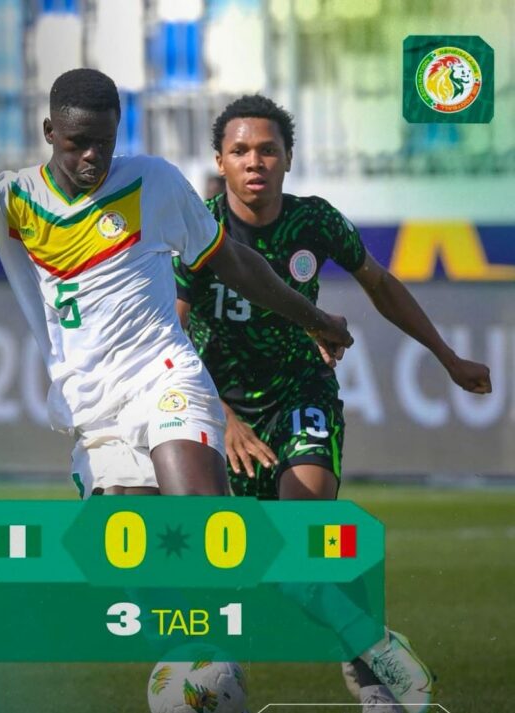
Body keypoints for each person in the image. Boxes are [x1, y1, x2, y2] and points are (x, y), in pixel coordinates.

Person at [0, 68, 351, 502]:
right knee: (133, 558)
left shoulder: (153, 181)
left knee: (198, 517)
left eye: (104, 142)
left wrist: (316, 319)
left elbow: (234, 263)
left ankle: (252, 603)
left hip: (165, 377)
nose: (92, 156)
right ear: (50, 132)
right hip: (92, 406)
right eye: (78, 143)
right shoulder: (7, 199)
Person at [174, 95, 491, 711]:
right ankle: (250, 659)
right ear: (220, 160)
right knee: (238, 561)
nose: (255, 161)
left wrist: (447, 357)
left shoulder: (314, 221)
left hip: (301, 394)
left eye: (268, 149)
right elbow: (173, 334)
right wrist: (224, 419)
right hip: (220, 409)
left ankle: (370, 673)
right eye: (240, 151)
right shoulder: (197, 230)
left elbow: (379, 283)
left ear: (289, 158)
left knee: (304, 540)